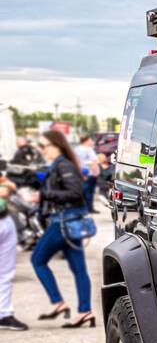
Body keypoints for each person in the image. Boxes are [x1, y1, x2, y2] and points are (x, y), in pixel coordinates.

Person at [30, 130, 94, 329]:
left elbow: (74, 193)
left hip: (63, 222)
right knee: (78, 269)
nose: (42, 150)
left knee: (37, 259)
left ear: (56, 145)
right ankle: (85, 311)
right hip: (69, 222)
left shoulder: (63, 165)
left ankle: (58, 303)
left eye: (45, 146)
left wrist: (43, 195)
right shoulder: (61, 164)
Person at [0, 175, 27, 331]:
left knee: (6, 273)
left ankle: (4, 314)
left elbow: (8, 186)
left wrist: (6, 187)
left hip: (4, 219)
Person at [76, 134, 98, 211]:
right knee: (89, 191)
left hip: (79, 173)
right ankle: (89, 208)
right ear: (86, 141)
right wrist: (95, 173)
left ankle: (82, 207)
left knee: (83, 191)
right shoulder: (89, 150)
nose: (91, 142)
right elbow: (94, 162)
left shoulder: (76, 149)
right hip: (90, 174)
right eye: (90, 140)